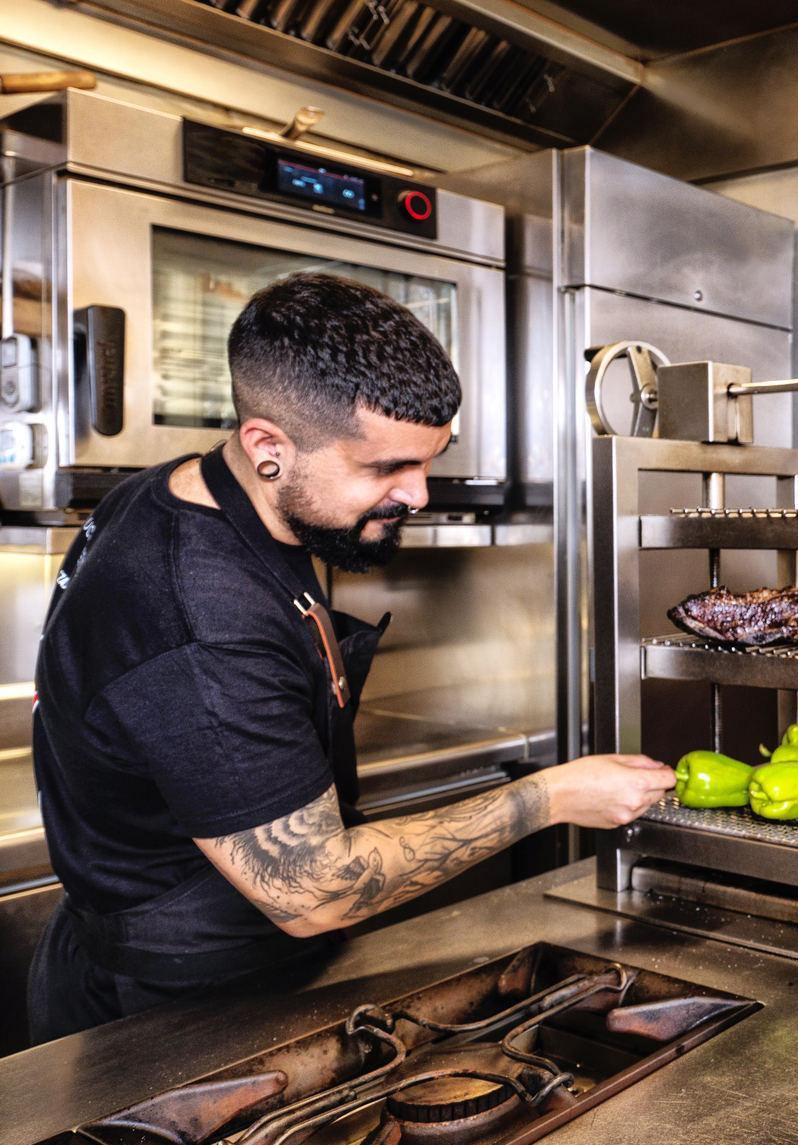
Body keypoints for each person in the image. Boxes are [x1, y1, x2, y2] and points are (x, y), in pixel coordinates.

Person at [27, 273, 675, 1044]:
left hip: (235, 961)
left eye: (428, 461)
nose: (419, 495)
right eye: (385, 470)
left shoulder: (193, 489)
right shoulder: (201, 618)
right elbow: (310, 890)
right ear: (269, 447)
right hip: (175, 1008)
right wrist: (552, 798)